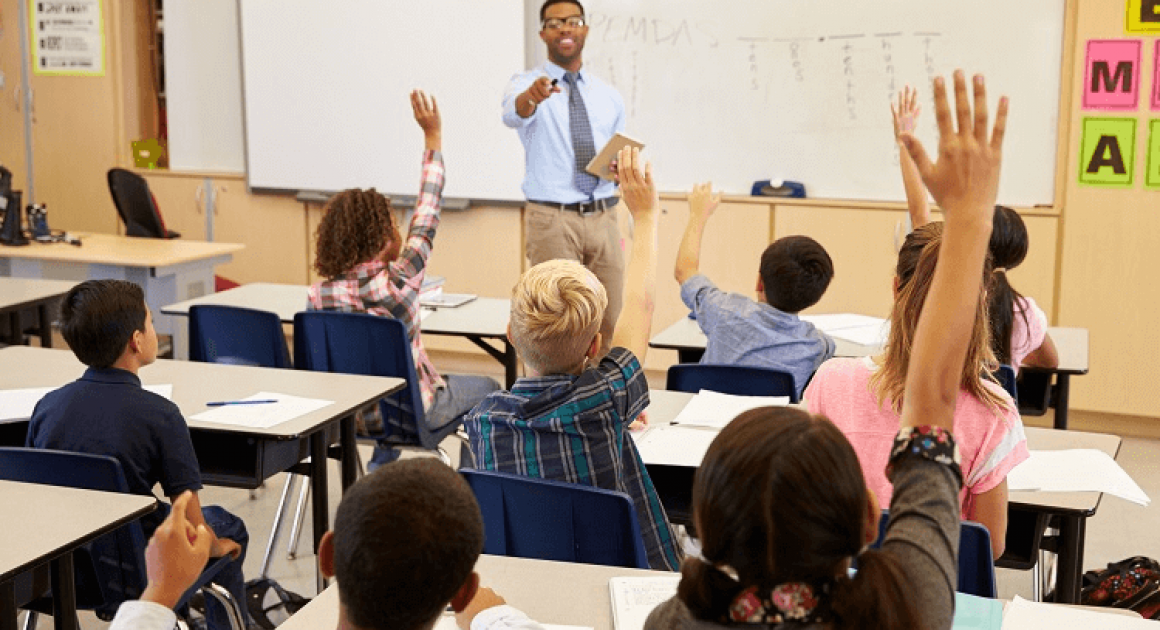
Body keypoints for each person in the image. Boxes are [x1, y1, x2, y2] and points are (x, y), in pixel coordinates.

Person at [646, 69, 1009, 630]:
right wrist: (970, 217)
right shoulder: (908, 609)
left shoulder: (673, 622)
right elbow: (934, 400)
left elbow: (931, 403)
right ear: (870, 521)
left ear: (703, 525)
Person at [464, 146, 682, 571]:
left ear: (510, 336)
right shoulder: (605, 398)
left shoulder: (482, 422)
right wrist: (648, 217)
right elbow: (641, 305)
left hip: (536, 590)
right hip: (627, 583)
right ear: (595, 347)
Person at [27, 279, 249, 629]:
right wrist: (218, 546)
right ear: (135, 340)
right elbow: (191, 524)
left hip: (62, 574)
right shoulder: (160, 414)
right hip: (139, 572)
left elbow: (36, 495)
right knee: (227, 524)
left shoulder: (47, 407)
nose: (153, 329)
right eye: (149, 321)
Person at [805, 219, 1028, 558]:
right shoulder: (994, 410)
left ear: (896, 288)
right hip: (932, 597)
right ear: (983, 298)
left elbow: (804, 503)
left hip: (838, 588)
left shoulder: (829, 381)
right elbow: (988, 546)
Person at [111, 462, 547, 630]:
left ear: (328, 556)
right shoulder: (478, 605)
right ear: (463, 591)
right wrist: (496, 618)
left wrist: (161, 590)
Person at [308, 90, 499, 466]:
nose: (399, 229)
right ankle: (476, 491)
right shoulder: (400, 281)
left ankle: (382, 466)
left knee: (377, 379)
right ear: (382, 239)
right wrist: (433, 137)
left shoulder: (318, 297)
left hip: (346, 419)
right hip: (414, 417)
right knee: (490, 389)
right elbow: (428, 208)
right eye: (392, 225)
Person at [893, 85, 1057, 373]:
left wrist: (905, 142)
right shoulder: (1025, 312)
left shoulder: (939, 295)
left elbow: (919, 209)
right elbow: (1051, 363)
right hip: (992, 410)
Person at [503, 0, 627, 352]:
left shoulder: (608, 95)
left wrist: (619, 169)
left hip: (604, 217)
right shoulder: (527, 84)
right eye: (555, 23)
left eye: (573, 21)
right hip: (553, 221)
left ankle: (601, 401)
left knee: (608, 320)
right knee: (553, 325)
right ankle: (552, 403)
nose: (565, 28)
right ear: (543, 33)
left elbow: (615, 152)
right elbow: (515, 112)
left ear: (585, 29)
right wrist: (533, 96)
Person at [675, 182, 835, 398]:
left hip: (705, 425)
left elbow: (685, 271)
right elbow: (829, 350)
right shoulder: (815, 345)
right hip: (769, 430)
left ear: (759, 282)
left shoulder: (723, 310)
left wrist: (697, 215)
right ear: (815, 298)